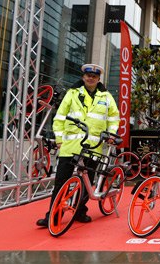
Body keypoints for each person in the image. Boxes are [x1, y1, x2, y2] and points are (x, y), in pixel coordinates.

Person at [36, 63, 119, 227]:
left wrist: (111, 133)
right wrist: (59, 139)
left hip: (93, 146)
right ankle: (53, 216)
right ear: (83, 77)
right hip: (70, 146)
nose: (91, 78)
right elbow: (59, 117)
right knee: (61, 182)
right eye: (88, 75)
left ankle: (80, 211)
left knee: (87, 183)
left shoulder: (106, 97)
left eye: (94, 76)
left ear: (98, 79)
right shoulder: (72, 94)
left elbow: (113, 118)